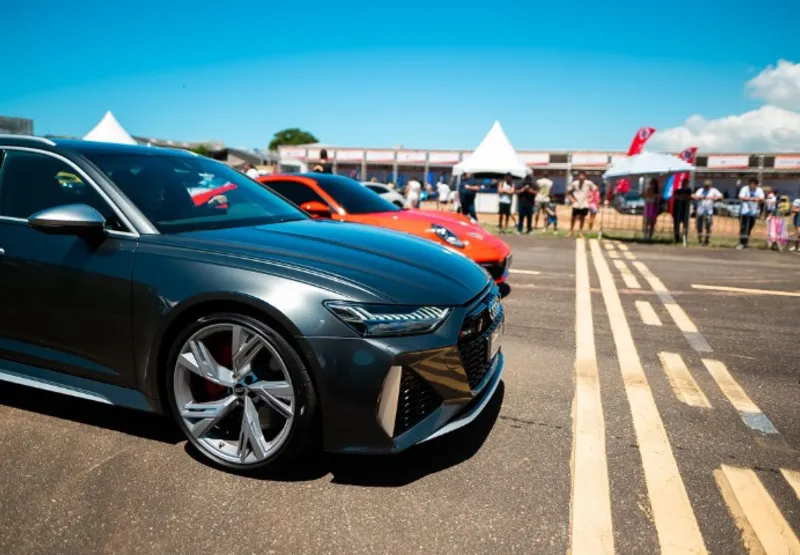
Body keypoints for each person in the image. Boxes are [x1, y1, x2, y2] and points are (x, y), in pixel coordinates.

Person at [566, 171, 597, 238]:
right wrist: (571, 199)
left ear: (585, 177)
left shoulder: (589, 183)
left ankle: (580, 232)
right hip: (576, 203)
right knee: (573, 217)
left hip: (584, 203)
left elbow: (595, 189)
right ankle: (571, 231)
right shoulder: (574, 183)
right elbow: (568, 191)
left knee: (582, 218)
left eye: (582, 176)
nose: (581, 177)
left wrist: (591, 198)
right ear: (578, 176)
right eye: (580, 176)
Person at [692, 179, 723, 245]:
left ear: (710, 185)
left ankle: (706, 240)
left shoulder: (714, 190)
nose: (706, 187)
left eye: (707, 186)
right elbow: (694, 196)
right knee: (699, 227)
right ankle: (700, 240)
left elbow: (721, 196)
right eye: (705, 185)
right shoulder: (700, 190)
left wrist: (715, 198)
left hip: (709, 212)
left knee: (708, 227)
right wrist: (699, 197)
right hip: (700, 211)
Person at [737, 178, 765, 249]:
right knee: (743, 228)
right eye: (751, 184)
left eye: (754, 185)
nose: (752, 186)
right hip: (744, 212)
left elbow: (762, 197)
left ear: (756, 185)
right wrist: (751, 199)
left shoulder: (759, 190)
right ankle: (741, 243)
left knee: (749, 228)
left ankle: (745, 242)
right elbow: (741, 196)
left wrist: (757, 199)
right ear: (749, 184)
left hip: (753, 212)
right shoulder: (744, 189)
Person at [672, 178, 693, 243]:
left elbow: (689, 197)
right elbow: (676, 196)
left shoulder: (689, 190)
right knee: (676, 225)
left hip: (685, 211)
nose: (684, 184)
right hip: (677, 211)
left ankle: (684, 238)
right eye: (683, 182)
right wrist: (681, 197)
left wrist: (682, 197)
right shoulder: (678, 190)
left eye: (686, 183)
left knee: (685, 225)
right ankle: (676, 238)